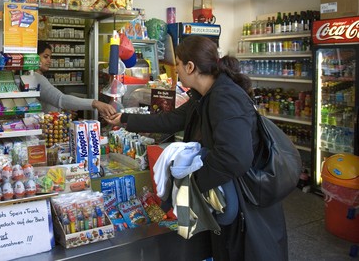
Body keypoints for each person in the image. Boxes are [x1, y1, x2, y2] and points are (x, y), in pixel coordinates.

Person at [105, 35, 288, 261]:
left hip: (246, 203)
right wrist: (124, 119)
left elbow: (234, 158)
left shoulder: (225, 98)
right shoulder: (204, 95)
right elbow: (171, 120)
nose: (175, 71)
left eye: (179, 65)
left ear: (190, 67)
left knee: (240, 252)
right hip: (228, 192)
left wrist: (190, 185)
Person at [35, 41, 116, 118]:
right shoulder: (36, 77)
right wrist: (95, 103)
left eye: (50, 57)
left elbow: (46, 102)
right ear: (35, 57)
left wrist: (61, 110)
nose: (49, 60)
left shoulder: (39, 76)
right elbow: (60, 99)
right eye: (45, 57)